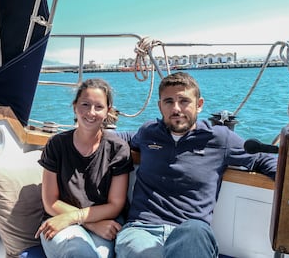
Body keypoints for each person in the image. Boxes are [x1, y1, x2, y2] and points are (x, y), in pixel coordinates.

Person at [115, 72, 277, 258]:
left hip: (190, 231)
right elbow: (120, 139)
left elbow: (260, 158)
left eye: (184, 101)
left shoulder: (219, 138)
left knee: (194, 231)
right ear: (160, 106)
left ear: (199, 105)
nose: (176, 109)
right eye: (168, 101)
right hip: (141, 229)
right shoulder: (148, 132)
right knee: (140, 251)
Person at [34, 78, 133, 258]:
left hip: (104, 221)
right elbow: (50, 202)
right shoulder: (57, 145)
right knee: (77, 250)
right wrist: (88, 223)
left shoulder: (118, 149)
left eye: (99, 107)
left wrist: (79, 219)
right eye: (85, 104)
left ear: (108, 111)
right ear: (74, 106)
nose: (91, 112)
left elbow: (115, 205)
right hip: (60, 220)